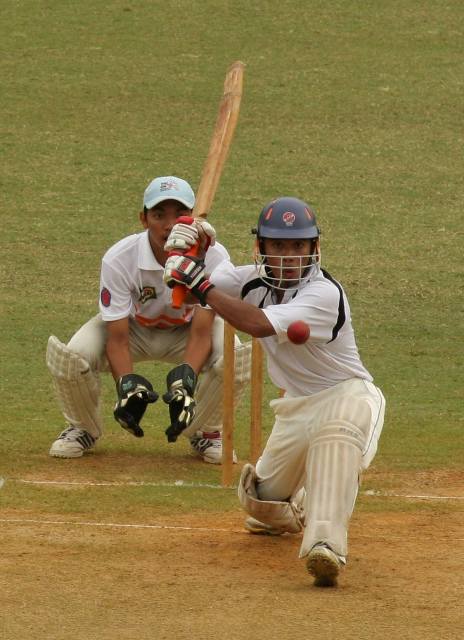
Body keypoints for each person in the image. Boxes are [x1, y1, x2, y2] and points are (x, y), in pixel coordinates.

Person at [163, 196, 386, 586]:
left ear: (314, 249)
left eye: (298, 246)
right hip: (295, 408)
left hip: (347, 396)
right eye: (278, 246)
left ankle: (325, 547)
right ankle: (297, 509)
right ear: (262, 247)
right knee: (261, 502)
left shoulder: (325, 294)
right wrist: (191, 247)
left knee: (334, 441)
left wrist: (197, 280)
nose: (288, 256)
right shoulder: (251, 281)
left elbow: (255, 324)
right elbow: (200, 284)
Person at [46, 176, 250, 464]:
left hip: (188, 329)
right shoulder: (119, 258)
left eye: (179, 214)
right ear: (144, 219)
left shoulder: (213, 256)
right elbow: (117, 337)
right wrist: (127, 387)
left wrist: (185, 384)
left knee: (235, 357)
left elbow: (203, 333)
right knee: (69, 357)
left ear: (191, 217)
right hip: (134, 329)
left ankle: (206, 432)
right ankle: (82, 429)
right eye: (158, 215)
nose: (169, 224)